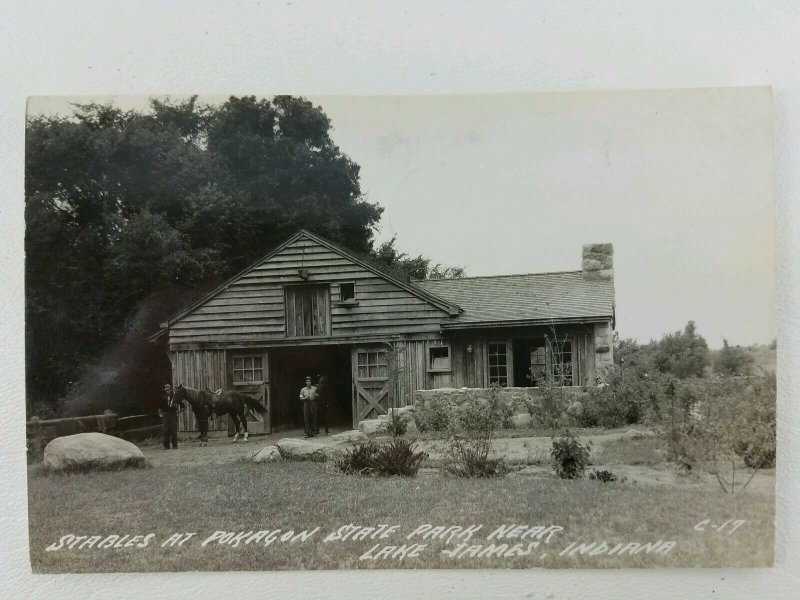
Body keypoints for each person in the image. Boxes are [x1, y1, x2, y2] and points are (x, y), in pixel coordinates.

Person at [161, 383, 183, 450]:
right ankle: (166, 446)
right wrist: (160, 413)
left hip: (173, 414)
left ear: (171, 389)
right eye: (166, 390)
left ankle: (175, 446)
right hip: (165, 414)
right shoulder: (163, 396)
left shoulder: (175, 396)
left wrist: (179, 412)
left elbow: (182, 405)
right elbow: (160, 406)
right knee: (165, 430)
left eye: (168, 390)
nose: (167, 391)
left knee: (173, 430)